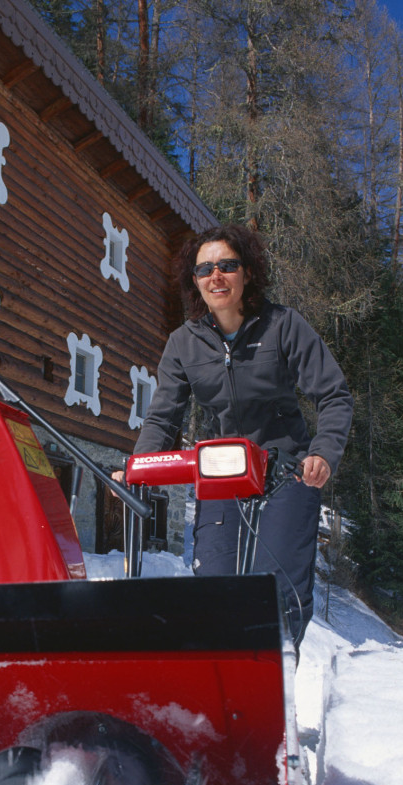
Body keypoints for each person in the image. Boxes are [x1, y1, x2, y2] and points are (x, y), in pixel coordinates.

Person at [121, 224, 353, 652]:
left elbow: (334, 395)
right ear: (194, 280)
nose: (216, 276)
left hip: (286, 473)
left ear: (247, 272)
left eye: (227, 265)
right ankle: (222, 683)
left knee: (276, 589)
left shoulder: (283, 326)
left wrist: (322, 453)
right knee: (214, 584)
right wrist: (139, 467)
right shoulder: (183, 344)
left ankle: (276, 670)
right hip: (222, 473)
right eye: (205, 269)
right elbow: (163, 416)